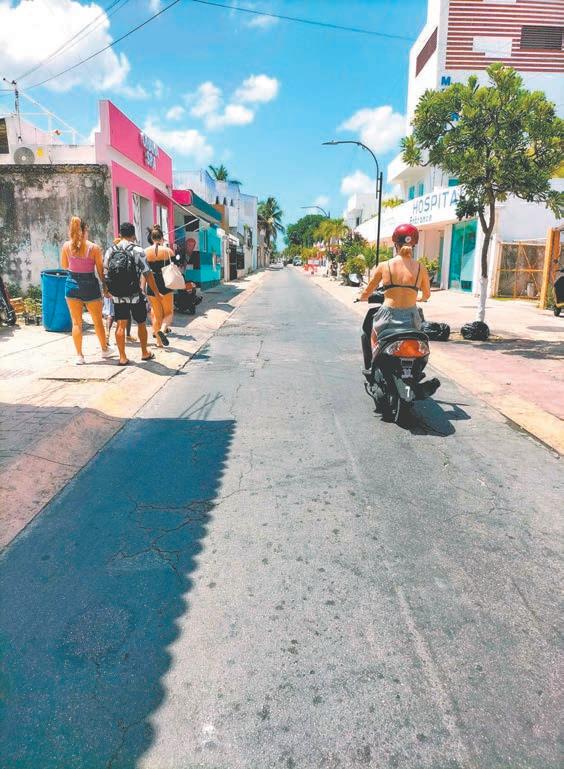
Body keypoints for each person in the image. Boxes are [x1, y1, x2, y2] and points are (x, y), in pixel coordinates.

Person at [358, 223, 431, 370]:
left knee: (371, 335)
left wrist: (362, 297)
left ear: (395, 243)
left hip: (388, 316)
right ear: (414, 244)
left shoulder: (384, 265)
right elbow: (427, 294)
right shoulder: (420, 267)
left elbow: (368, 291)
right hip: (412, 316)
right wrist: (420, 299)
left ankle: (372, 367)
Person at [103, 222, 161, 366]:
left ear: (120, 234)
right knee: (141, 323)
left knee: (121, 324)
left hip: (118, 294)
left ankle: (122, 357)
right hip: (135, 293)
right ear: (133, 235)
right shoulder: (138, 250)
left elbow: (105, 273)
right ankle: (144, 352)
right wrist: (156, 292)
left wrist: (106, 290)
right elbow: (147, 273)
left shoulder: (110, 250)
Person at [60, 216, 115, 365]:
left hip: (71, 285)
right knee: (97, 321)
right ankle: (104, 349)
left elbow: (64, 266)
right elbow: (100, 271)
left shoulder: (66, 246)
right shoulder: (94, 248)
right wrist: (105, 288)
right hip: (90, 285)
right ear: (84, 230)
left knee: (76, 323)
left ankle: (80, 356)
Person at [144, 224, 175, 348]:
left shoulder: (145, 252)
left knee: (156, 314)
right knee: (168, 313)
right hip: (165, 283)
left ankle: (158, 342)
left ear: (151, 238)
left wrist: (142, 286)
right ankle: (163, 329)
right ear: (162, 237)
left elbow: (144, 271)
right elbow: (176, 266)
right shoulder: (168, 251)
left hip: (151, 284)